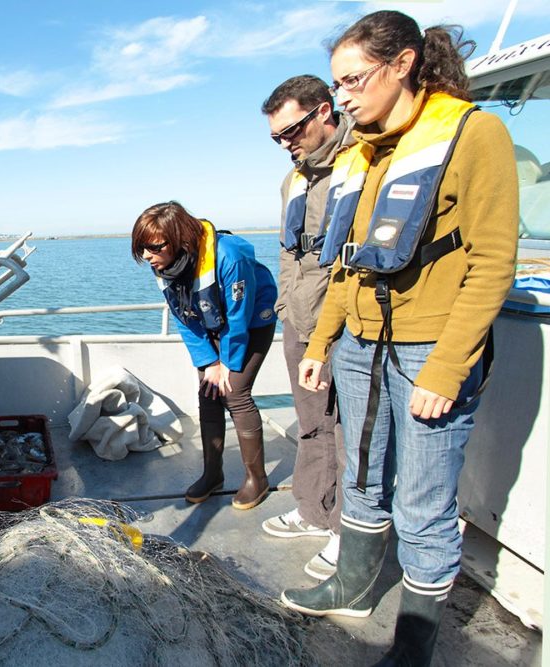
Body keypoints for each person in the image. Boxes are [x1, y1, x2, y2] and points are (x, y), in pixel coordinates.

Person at [279, 11, 518, 667]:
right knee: (359, 473)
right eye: (339, 83)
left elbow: (492, 262)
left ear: (403, 63)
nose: (345, 95)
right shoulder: (362, 151)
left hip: (429, 350)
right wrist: (324, 342)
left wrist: (446, 369)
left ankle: (414, 641)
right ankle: (352, 585)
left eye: (354, 79)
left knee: (421, 500)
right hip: (358, 344)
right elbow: (345, 263)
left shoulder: (475, 135)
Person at [259, 75, 354, 580]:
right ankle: (314, 510)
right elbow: (288, 248)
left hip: (343, 324)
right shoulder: (293, 178)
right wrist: (283, 303)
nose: (285, 143)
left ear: (324, 110)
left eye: (291, 130)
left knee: (350, 430)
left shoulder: (361, 161)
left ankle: (346, 529)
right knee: (312, 420)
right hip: (298, 319)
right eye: (276, 138)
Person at [131, 201, 278, 510]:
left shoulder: (229, 257)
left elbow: (238, 317)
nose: (147, 255)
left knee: (235, 392)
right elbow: (184, 318)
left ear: (180, 238)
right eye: (142, 248)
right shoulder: (164, 264)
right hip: (210, 324)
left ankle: (257, 479)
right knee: (208, 392)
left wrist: (228, 362)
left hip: (252, 322)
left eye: (153, 247)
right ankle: (212, 474)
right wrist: (209, 362)